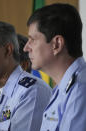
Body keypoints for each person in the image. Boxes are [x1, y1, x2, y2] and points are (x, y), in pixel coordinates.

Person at [23, 3, 86, 131]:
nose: (26, 48)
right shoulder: (63, 89)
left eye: (32, 40)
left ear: (56, 44)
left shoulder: (80, 90)